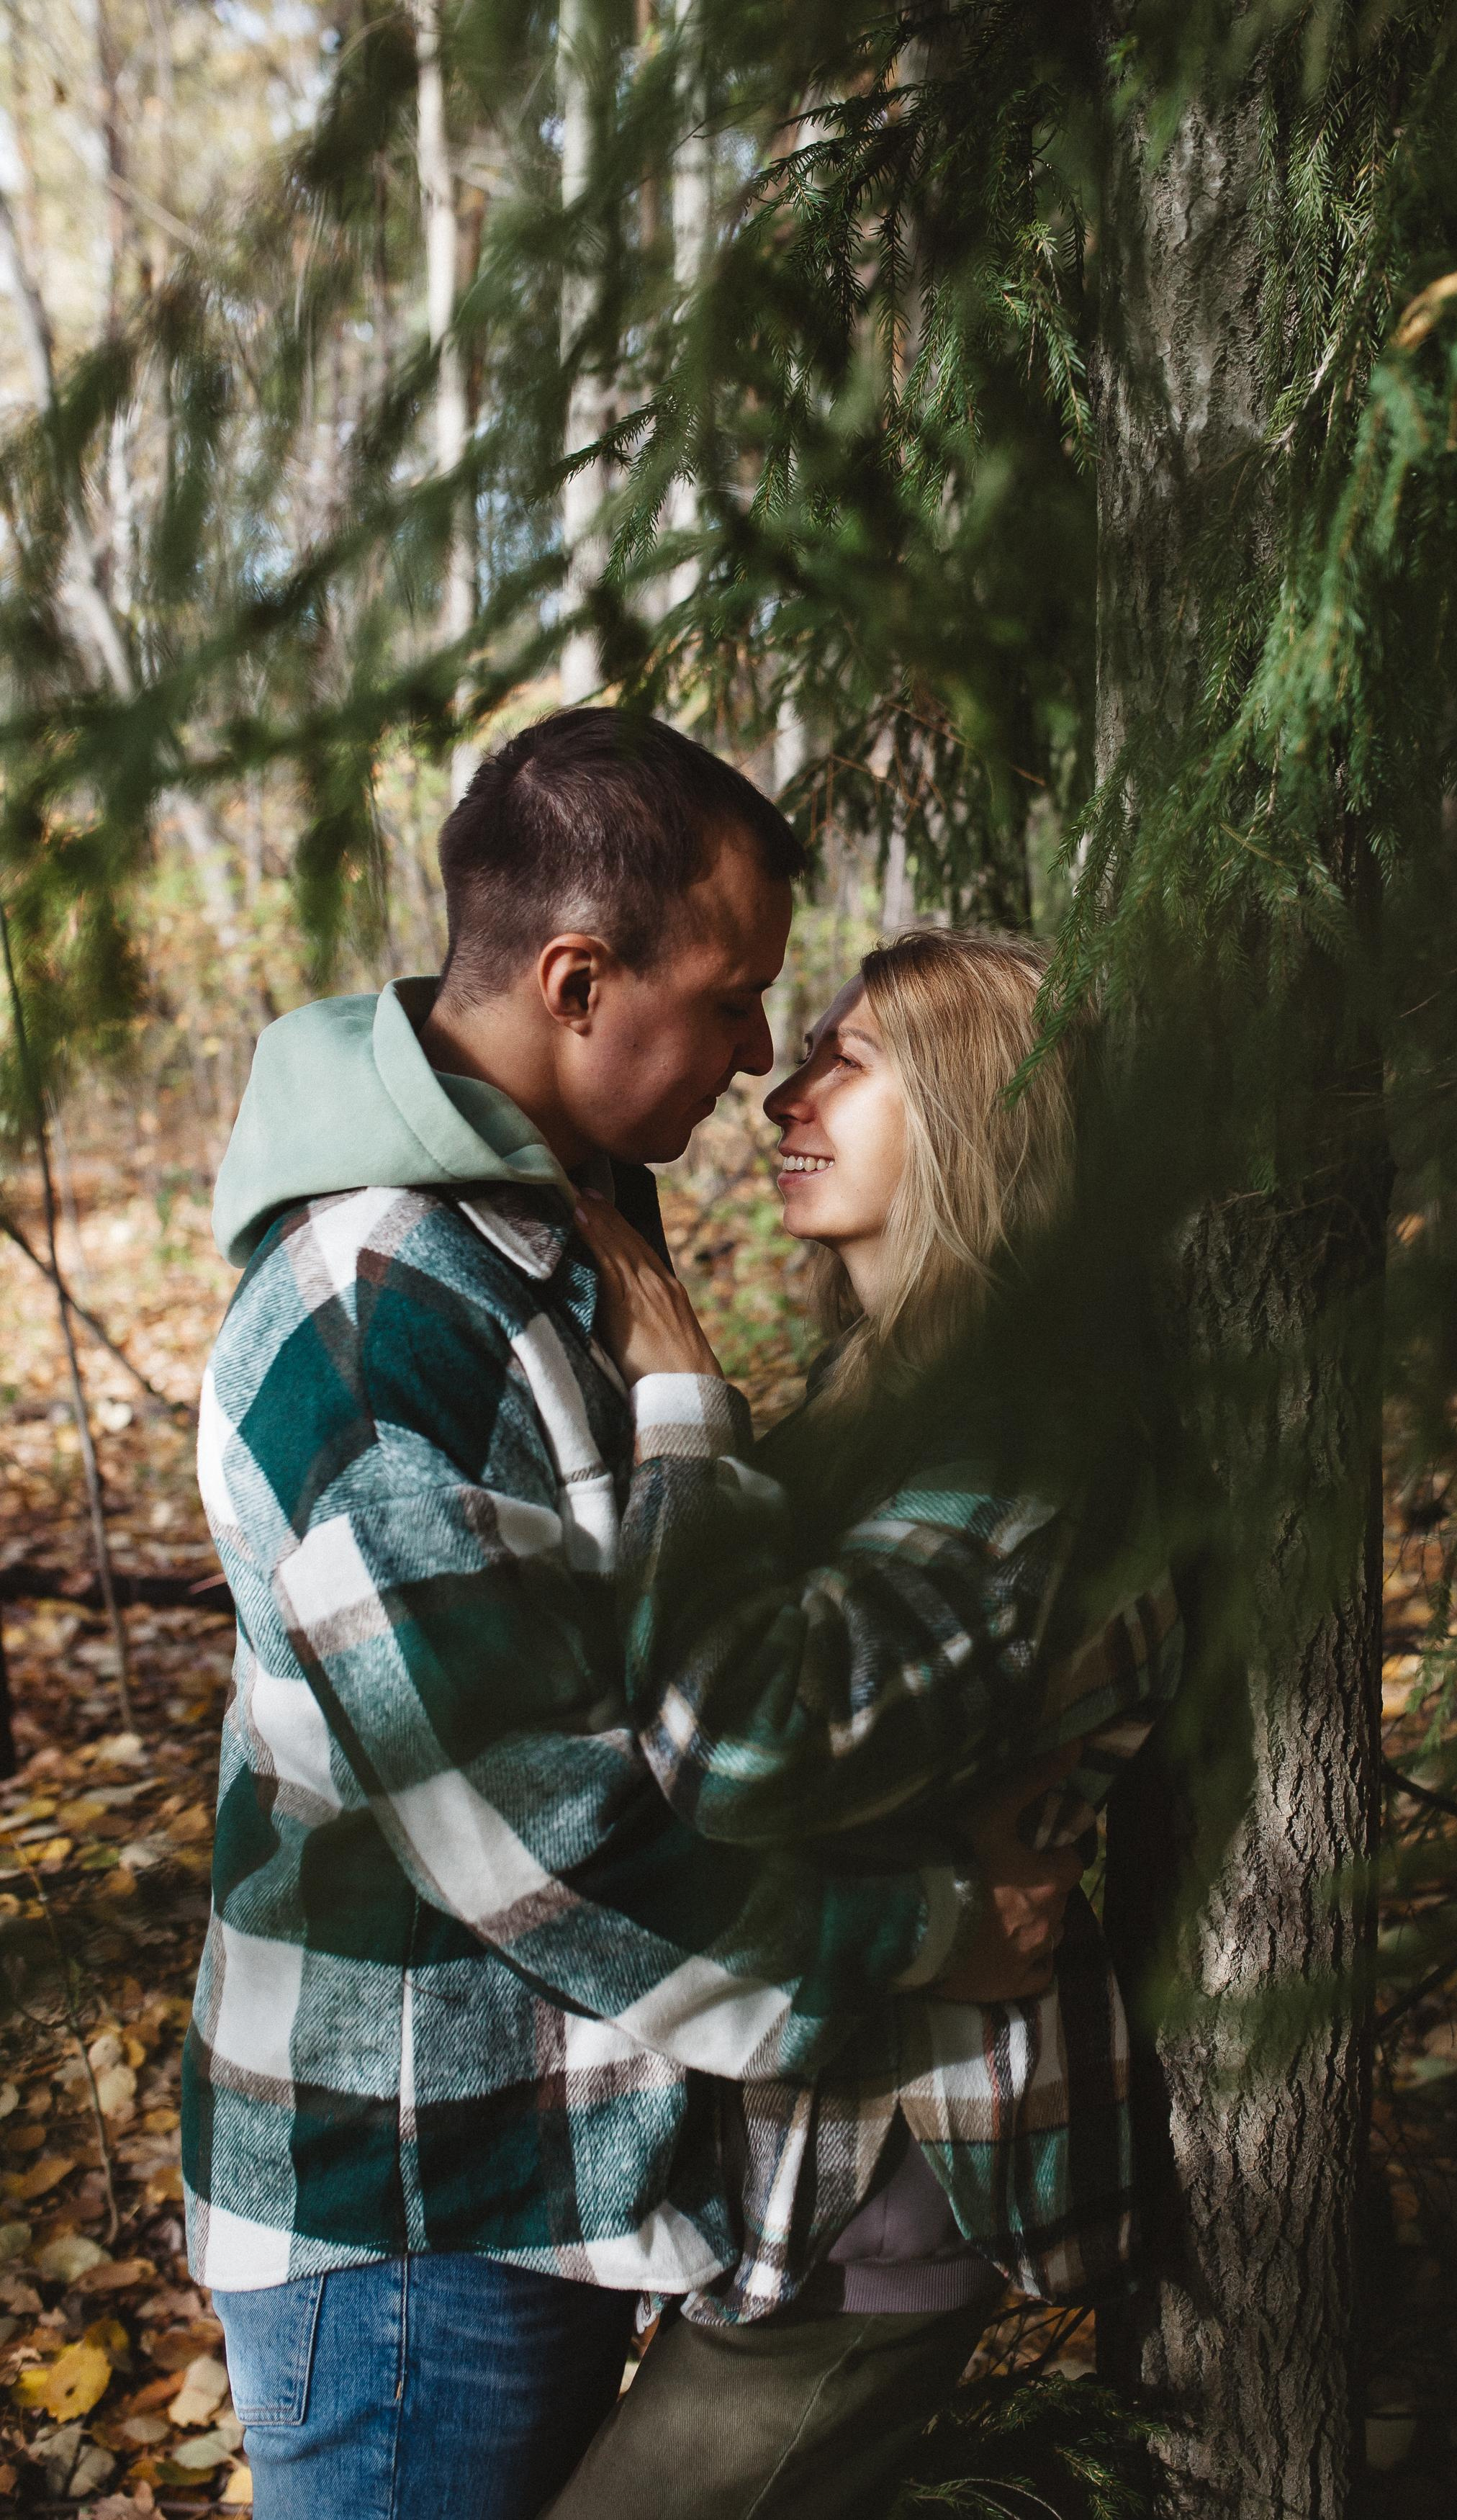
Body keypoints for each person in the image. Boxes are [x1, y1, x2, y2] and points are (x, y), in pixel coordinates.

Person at [185, 713, 1077, 2519]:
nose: (763, 1060)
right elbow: (543, 1837)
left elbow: (687, 1648)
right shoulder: (374, 1316)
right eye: (742, 997)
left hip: (548, 2168)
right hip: (416, 2216)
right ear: (579, 979)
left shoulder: (561, 1226)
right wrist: (923, 1934)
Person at [548, 929, 1182, 2520]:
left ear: (978, 1112)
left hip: (889, 2171)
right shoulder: (880, 1392)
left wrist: (682, 1405)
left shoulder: (1026, 1424)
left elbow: (743, 1745)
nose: (781, 1089)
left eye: (849, 1058)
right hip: (800, 2149)